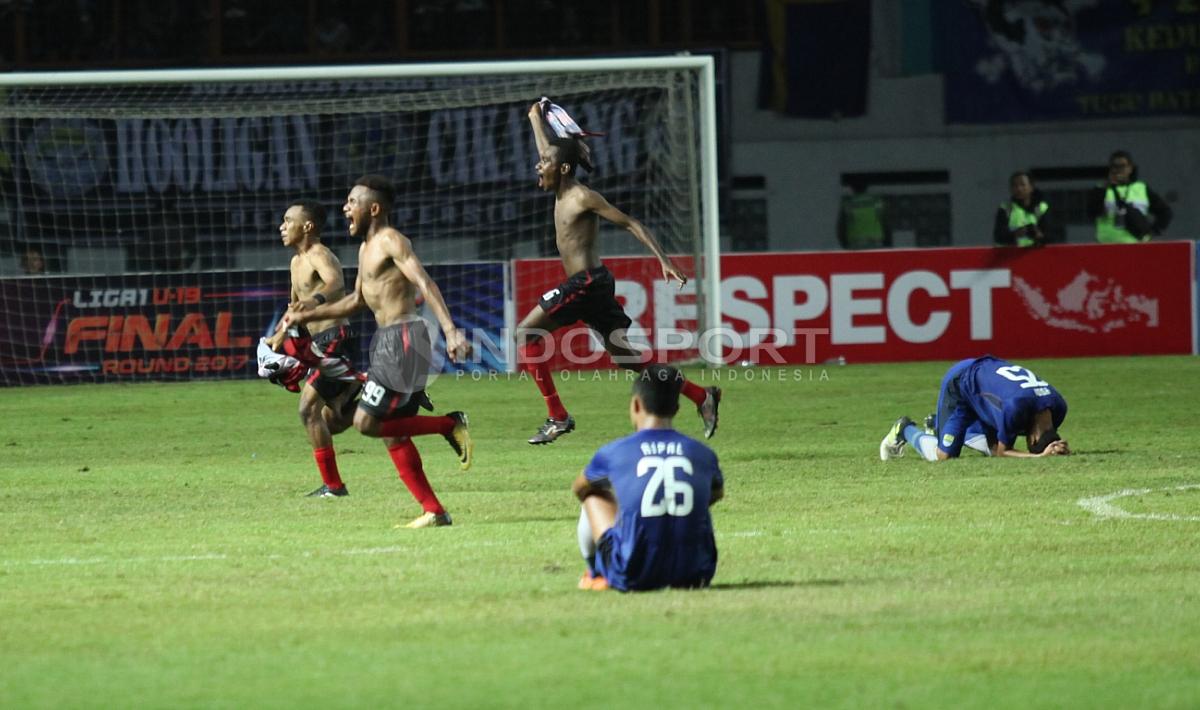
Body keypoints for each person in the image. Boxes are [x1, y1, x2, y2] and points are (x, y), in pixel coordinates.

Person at [518, 101, 720, 445]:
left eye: (545, 163)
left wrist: (663, 259)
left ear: (563, 168)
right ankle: (702, 395)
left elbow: (630, 222)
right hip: (591, 286)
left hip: (586, 283)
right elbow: (549, 151)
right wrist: (536, 117)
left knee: (525, 334)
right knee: (629, 359)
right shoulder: (560, 183)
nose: (539, 166)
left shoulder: (582, 197)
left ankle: (558, 416)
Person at [285, 175, 473, 528]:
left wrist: (450, 330)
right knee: (391, 431)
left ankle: (449, 424)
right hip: (387, 341)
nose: (345, 208)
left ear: (373, 208)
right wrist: (307, 313)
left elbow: (424, 282)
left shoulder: (390, 240)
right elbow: (355, 300)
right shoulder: (364, 248)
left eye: (352, 202)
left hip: (405, 337)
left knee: (366, 422)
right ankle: (434, 511)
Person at [571, 364, 724, 592]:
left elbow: (578, 488)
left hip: (634, 573)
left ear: (636, 404)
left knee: (592, 493)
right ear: (677, 408)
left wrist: (628, 500)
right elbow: (715, 494)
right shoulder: (703, 453)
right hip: (697, 573)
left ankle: (596, 573)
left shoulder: (614, 453)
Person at [263, 200, 362, 498]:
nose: (281, 226)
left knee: (308, 410)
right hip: (320, 342)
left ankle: (334, 487)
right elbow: (294, 308)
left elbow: (335, 283)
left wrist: (314, 303)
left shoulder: (319, 254)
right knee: (335, 420)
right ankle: (385, 397)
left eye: (287, 220)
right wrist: (277, 339)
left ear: (307, 226)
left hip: (336, 337)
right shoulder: (295, 263)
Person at [879, 355, 1070, 462]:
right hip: (961, 384)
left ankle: (938, 423)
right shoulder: (1016, 409)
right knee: (944, 456)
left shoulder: (1058, 407)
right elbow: (1002, 452)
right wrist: (1039, 457)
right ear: (1034, 437)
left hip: (988, 383)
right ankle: (904, 429)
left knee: (991, 446)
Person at [1088, 150, 1172, 244]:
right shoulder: (1101, 188)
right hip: (1107, 246)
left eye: (1122, 166)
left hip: (1136, 246)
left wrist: (1153, 232)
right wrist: (1104, 187)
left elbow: (1165, 212)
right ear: (1110, 169)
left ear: (1130, 168)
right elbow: (1092, 213)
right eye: (1115, 166)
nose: (1119, 170)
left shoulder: (1141, 188)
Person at [993, 171, 1061, 247]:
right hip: (1011, 256)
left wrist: (1039, 235)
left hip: (1036, 255)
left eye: (1022, 184)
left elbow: (1053, 236)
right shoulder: (1005, 208)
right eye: (1014, 185)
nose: (1019, 189)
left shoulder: (1042, 208)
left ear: (1031, 187)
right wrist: (1017, 233)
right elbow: (998, 237)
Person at [837, 178, 890, 250]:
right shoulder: (877, 202)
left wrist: (845, 245)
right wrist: (888, 244)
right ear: (866, 187)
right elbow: (886, 224)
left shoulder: (848, 204)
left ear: (852, 188)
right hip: (876, 243)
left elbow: (841, 228)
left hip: (854, 245)